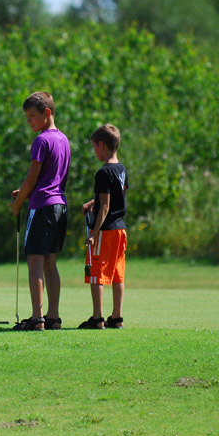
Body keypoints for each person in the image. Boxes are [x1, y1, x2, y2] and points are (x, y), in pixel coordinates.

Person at [8, 92, 71, 331]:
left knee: (34, 260)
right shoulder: (63, 139)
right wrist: (25, 191)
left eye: (32, 116)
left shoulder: (41, 141)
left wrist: (17, 204)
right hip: (59, 206)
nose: (29, 122)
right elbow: (52, 177)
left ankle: (37, 317)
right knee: (50, 263)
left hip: (42, 206)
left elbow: (32, 179)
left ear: (47, 113)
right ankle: (53, 316)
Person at [79, 124, 129, 329]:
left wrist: (93, 233)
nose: (94, 151)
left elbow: (106, 206)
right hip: (120, 230)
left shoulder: (103, 173)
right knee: (118, 273)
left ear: (101, 145)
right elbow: (117, 197)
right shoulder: (121, 169)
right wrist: (93, 203)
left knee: (95, 272)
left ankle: (97, 317)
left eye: (94, 147)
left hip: (105, 230)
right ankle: (116, 317)